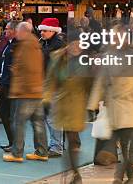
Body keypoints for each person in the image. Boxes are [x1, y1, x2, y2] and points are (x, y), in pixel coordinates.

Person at [87, 24, 133, 184]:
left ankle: (120, 176)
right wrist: (93, 103)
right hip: (116, 106)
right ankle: (131, 177)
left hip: (131, 105)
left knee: (124, 142)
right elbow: (101, 81)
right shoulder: (109, 56)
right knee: (123, 143)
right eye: (114, 37)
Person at [44, 31, 93, 183]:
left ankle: (75, 174)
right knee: (68, 138)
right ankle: (73, 172)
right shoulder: (57, 57)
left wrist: (92, 104)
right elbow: (50, 79)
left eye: (79, 44)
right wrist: (46, 99)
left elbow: (89, 84)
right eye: (74, 43)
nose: (76, 47)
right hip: (61, 102)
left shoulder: (85, 61)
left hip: (77, 103)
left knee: (71, 138)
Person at [3, 21, 49, 163]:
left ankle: (17, 153)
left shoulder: (26, 45)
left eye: (17, 31)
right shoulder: (35, 44)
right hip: (36, 90)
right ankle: (41, 151)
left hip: (27, 91)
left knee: (19, 122)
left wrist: (15, 70)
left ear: (23, 31)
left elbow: (28, 68)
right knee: (38, 122)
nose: (16, 34)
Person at [38, 17, 66, 158]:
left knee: (51, 117)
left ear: (52, 31)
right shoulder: (47, 43)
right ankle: (57, 144)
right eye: (41, 30)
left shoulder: (57, 45)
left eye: (44, 30)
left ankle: (56, 146)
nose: (41, 33)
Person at [0, 21, 18, 151]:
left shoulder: (17, 45)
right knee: (4, 113)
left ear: (14, 30)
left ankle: (15, 143)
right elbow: (3, 63)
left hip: (11, 84)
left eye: (7, 29)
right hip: (4, 82)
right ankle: (12, 141)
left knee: (10, 115)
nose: (5, 31)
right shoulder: (8, 45)